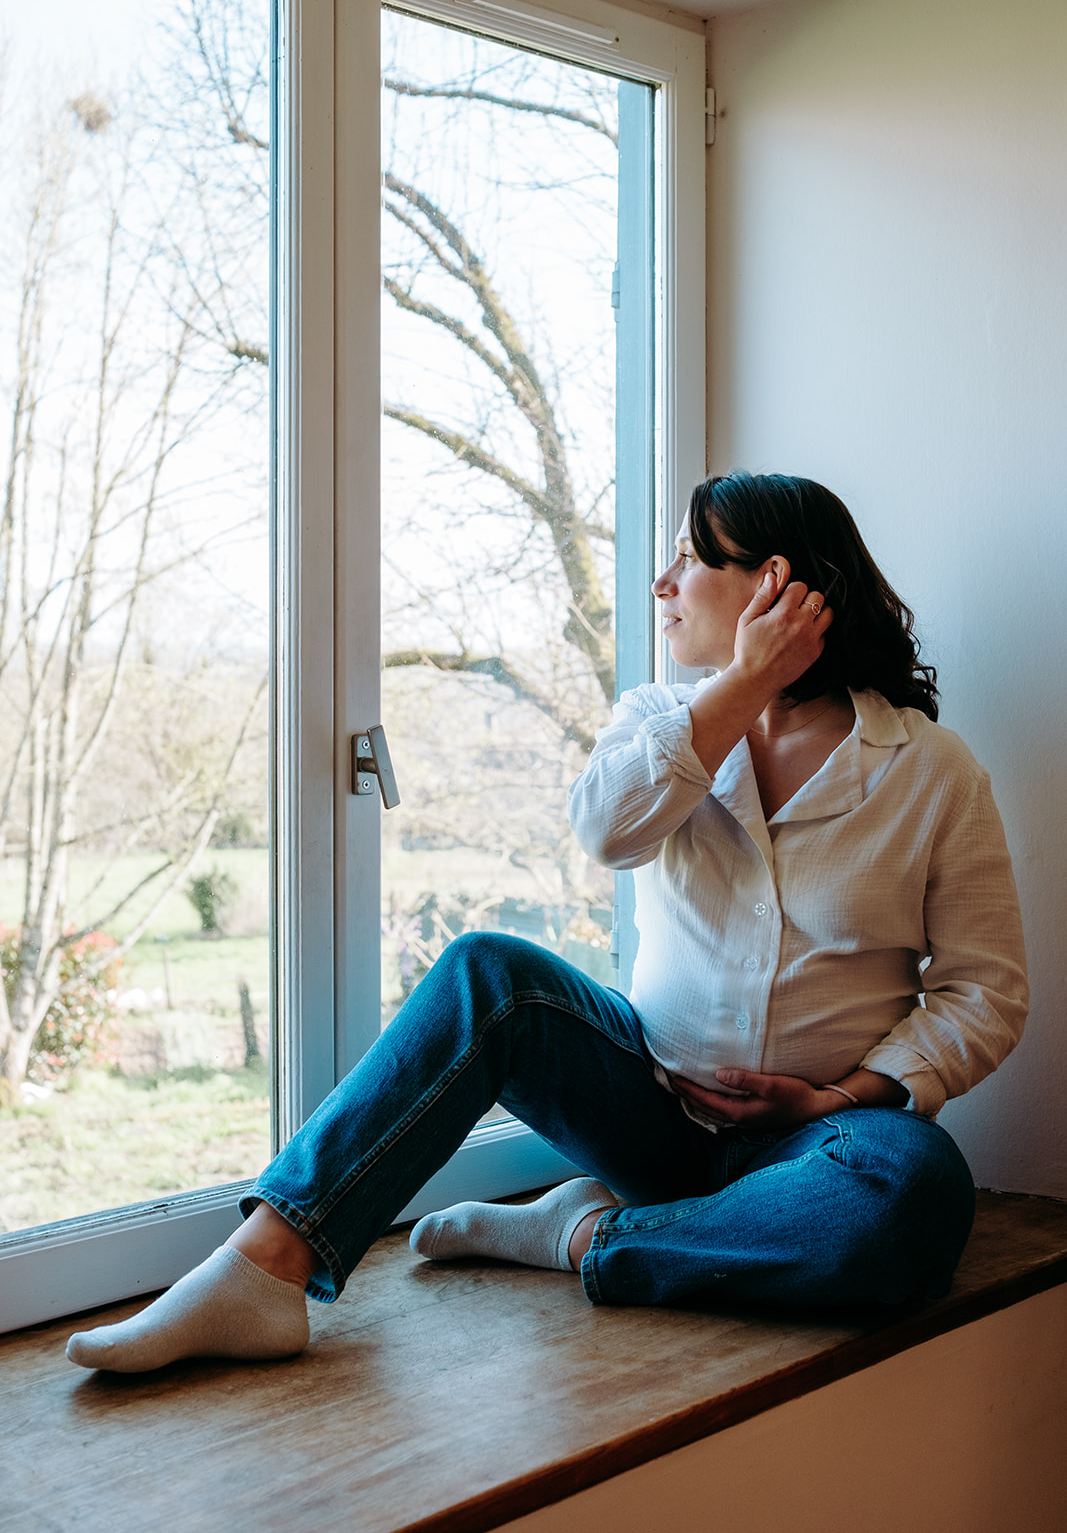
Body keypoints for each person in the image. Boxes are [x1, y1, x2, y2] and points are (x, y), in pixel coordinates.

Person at [67, 472, 1028, 1373]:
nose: (663, 581)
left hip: (817, 1143)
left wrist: (840, 1099)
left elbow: (983, 990)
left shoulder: (928, 771)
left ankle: (577, 1235)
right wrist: (739, 689)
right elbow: (607, 832)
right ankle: (262, 1269)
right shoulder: (660, 718)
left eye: (692, 556)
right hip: (648, 1106)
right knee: (487, 970)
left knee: (913, 1198)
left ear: (770, 582)